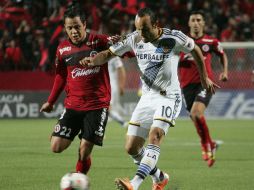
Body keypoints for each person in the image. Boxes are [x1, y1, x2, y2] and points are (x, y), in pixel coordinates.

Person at [80, 7, 218, 190]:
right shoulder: (135, 38)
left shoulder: (173, 37)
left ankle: (134, 184)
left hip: (169, 97)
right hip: (147, 98)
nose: (141, 33)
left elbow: (196, 51)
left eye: (144, 29)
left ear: (155, 24)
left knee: (155, 136)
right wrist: (93, 60)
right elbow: (108, 54)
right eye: (137, 28)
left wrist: (204, 77)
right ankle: (160, 177)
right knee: (131, 148)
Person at [40, 4, 116, 175]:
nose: (74, 31)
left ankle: (79, 178)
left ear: (84, 25)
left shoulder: (99, 41)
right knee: (56, 147)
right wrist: (50, 102)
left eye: (77, 27)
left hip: (97, 106)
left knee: (84, 150)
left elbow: (123, 47)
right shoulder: (62, 49)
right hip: (73, 106)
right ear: (65, 29)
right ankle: (79, 140)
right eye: (69, 28)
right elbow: (60, 76)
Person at [178, 10, 228, 167]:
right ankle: (209, 143)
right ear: (189, 23)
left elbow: (222, 54)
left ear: (204, 23)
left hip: (205, 82)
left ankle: (206, 145)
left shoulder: (211, 41)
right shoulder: (182, 41)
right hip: (186, 85)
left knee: (196, 113)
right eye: (193, 20)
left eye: (199, 20)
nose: (196, 23)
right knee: (195, 118)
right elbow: (173, 59)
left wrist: (225, 71)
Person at [108, 56, 127, 127]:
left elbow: (121, 70)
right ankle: (122, 122)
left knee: (106, 109)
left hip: (110, 87)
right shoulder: (98, 54)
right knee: (105, 110)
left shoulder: (114, 57)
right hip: (102, 87)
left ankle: (123, 122)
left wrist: (121, 86)